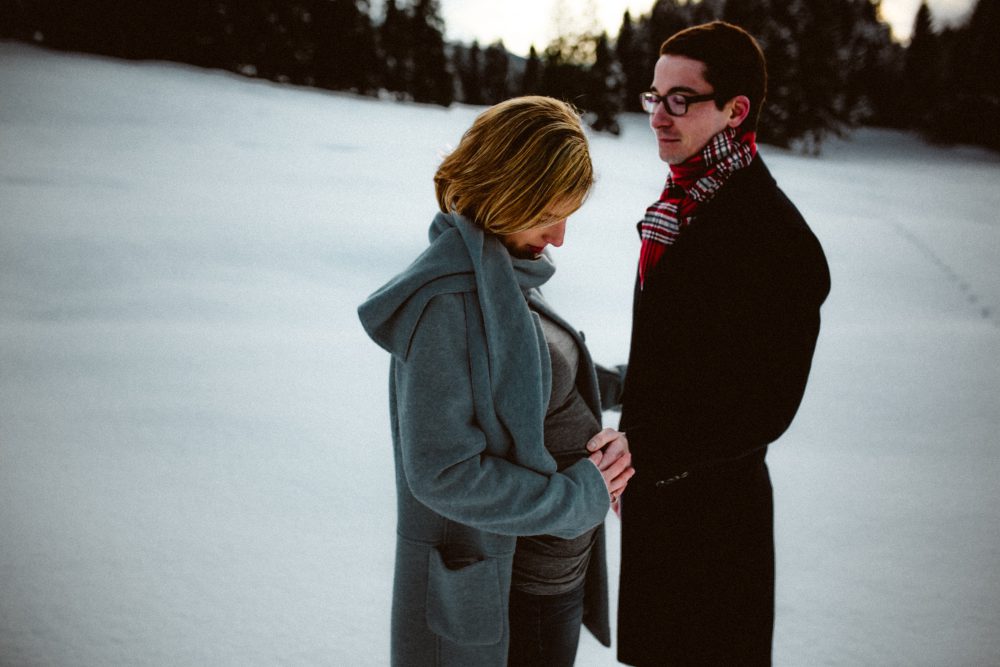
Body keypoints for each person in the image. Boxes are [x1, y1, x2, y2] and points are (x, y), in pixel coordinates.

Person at [357, 95, 634, 667]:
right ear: (510, 193)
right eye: (549, 214)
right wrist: (577, 497)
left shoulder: (501, 271)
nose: (559, 237)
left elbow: (523, 385)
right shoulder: (447, 302)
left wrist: (637, 383)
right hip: (507, 594)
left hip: (549, 578)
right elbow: (444, 473)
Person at [615, 22, 831, 666]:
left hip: (714, 530)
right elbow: (685, 359)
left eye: (681, 99)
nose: (659, 116)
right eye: (654, 97)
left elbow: (763, 407)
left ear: (736, 110)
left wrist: (643, 452)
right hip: (658, 513)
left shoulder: (778, 242)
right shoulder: (682, 204)